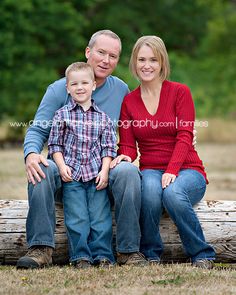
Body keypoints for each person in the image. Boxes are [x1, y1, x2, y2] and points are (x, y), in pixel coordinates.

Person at [16, 30, 147, 269]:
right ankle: (40, 248)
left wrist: (181, 133)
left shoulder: (120, 90)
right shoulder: (60, 89)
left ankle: (129, 251)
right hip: (66, 170)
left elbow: (134, 129)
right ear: (88, 52)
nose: (106, 60)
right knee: (41, 168)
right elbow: (38, 130)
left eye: (113, 56)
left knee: (128, 171)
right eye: (101, 52)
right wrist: (32, 153)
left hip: (101, 172)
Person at [110, 35, 216, 269]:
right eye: (141, 59)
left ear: (162, 63)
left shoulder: (180, 92)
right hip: (150, 168)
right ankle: (151, 253)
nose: (147, 65)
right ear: (134, 63)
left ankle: (201, 253)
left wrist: (172, 170)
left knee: (172, 193)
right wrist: (124, 156)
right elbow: (127, 144)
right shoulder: (129, 102)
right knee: (149, 190)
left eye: (153, 60)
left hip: (188, 168)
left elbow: (185, 135)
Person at [48, 62, 116, 268]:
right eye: (74, 84)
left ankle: (103, 255)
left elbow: (108, 148)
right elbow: (54, 145)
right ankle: (81, 256)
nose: (80, 87)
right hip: (72, 177)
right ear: (67, 88)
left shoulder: (103, 118)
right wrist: (61, 167)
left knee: (100, 218)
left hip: (96, 176)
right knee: (77, 218)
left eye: (85, 82)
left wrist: (105, 172)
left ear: (93, 85)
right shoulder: (62, 115)